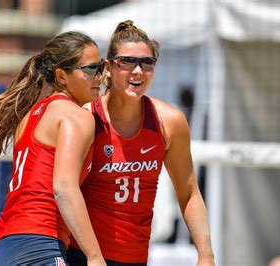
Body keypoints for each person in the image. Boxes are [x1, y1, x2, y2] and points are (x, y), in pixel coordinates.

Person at [66, 20, 215, 266]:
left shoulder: (170, 121)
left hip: (135, 257)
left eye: (147, 63)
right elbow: (63, 188)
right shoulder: (85, 117)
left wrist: (206, 255)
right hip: (83, 256)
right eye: (127, 61)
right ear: (108, 68)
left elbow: (188, 193)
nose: (138, 71)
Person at [0, 31, 106, 265]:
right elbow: (63, 187)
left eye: (101, 67)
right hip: (36, 243)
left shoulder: (31, 115)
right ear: (61, 76)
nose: (99, 76)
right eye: (90, 69)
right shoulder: (77, 116)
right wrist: (95, 256)